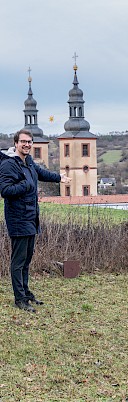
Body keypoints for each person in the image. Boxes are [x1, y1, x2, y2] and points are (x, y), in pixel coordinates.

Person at [0, 129, 71, 313]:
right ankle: (20, 299)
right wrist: (25, 185)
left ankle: (26, 293)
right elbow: (5, 190)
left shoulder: (29, 162)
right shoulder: (9, 165)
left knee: (27, 260)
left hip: (31, 217)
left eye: (29, 142)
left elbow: (41, 173)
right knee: (18, 261)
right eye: (23, 141)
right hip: (18, 219)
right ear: (16, 143)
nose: (26, 144)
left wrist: (59, 178)